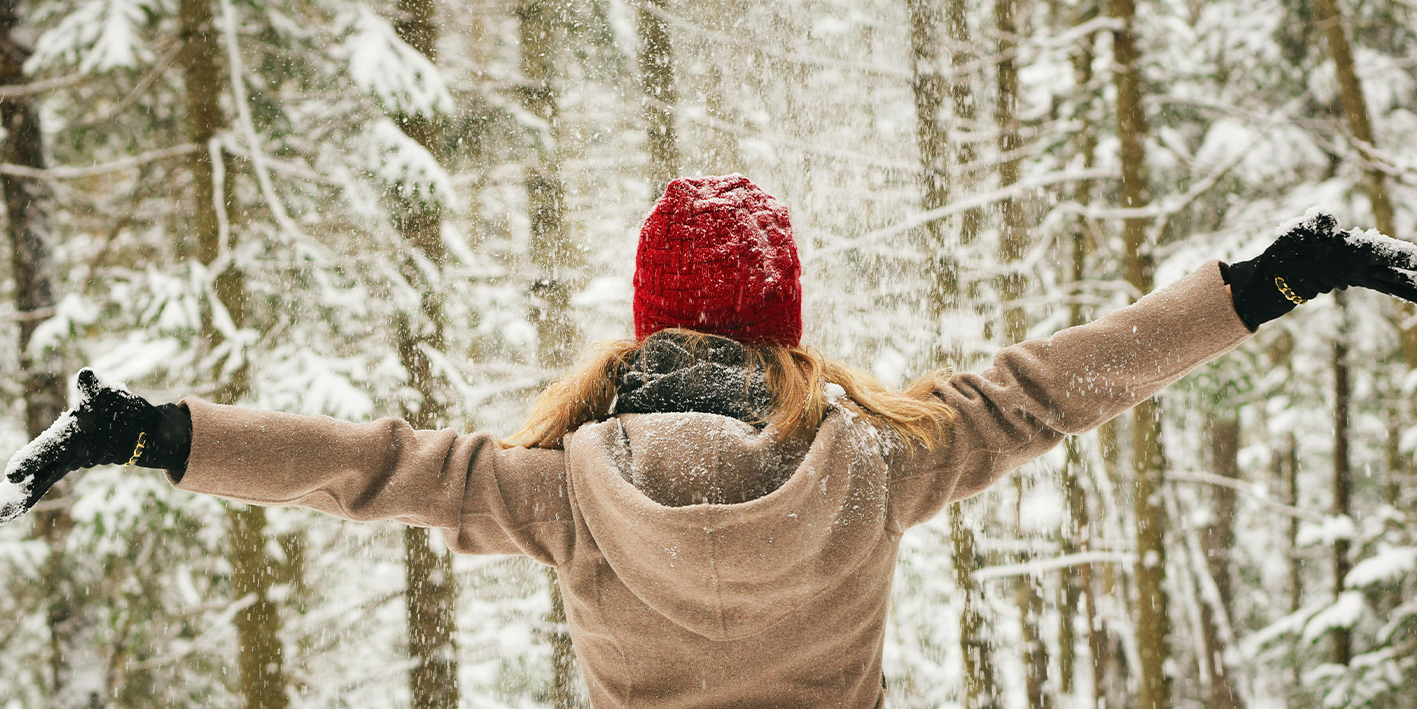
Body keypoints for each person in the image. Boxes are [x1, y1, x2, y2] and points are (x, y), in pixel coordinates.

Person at [4, 175, 1416, 708]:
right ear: (782, 330)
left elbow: (366, 469)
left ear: (641, 330)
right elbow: (1059, 385)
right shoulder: (880, 462)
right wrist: (1272, 279)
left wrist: (154, 433)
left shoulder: (565, 494)